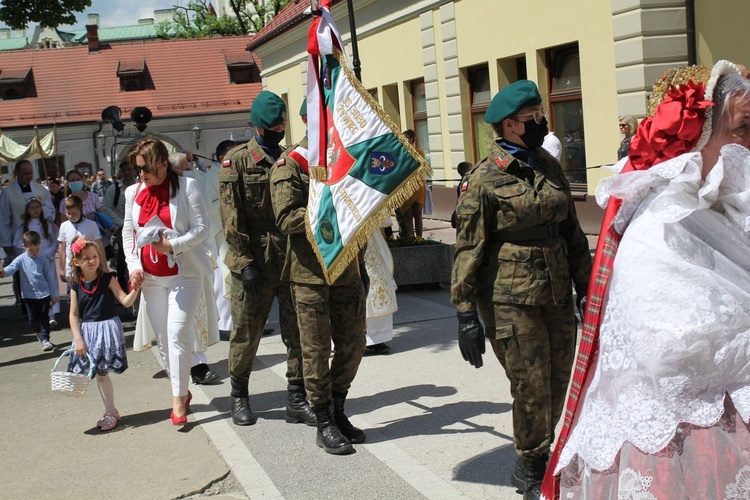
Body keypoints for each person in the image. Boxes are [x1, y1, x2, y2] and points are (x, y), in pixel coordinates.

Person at [544, 61, 750, 499]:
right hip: (684, 443)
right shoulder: (663, 223)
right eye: (743, 128)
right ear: (700, 134)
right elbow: (676, 349)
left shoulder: (725, 204)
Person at [451, 80, 591, 500]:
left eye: (540, 115)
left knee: (559, 379)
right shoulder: (483, 179)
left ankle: (547, 450)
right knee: (529, 384)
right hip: (510, 299)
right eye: (532, 118)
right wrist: (464, 313)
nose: (541, 122)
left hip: (555, 292)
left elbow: (571, 232)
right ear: (510, 124)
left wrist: (586, 286)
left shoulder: (547, 163)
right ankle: (530, 464)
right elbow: (468, 247)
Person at [270, 97, 367, 455]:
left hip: (345, 267)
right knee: (314, 351)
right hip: (309, 272)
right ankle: (323, 419)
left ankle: (338, 407)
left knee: (354, 344)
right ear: (309, 120)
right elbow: (286, 219)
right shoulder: (291, 164)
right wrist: (330, 208)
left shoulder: (345, 158)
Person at [220, 90, 314, 427]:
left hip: (291, 255)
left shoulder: (292, 158)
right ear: (258, 127)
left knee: (298, 330)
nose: (278, 130)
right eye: (273, 125)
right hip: (256, 257)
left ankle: (296, 397)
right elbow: (231, 219)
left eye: (282, 124)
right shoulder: (238, 161)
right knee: (247, 331)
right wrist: (244, 263)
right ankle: (239, 395)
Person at [123, 138, 212, 425]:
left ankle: (177, 399)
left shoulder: (187, 186)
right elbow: (129, 234)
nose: (141, 175)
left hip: (184, 274)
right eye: (138, 170)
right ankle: (181, 391)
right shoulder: (132, 193)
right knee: (163, 339)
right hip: (150, 278)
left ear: (163, 163)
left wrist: (173, 246)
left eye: (146, 169)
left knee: (176, 333)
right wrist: (134, 266)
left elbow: (202, 229)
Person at [66, 237, 139, 431]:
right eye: (87, 258)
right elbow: (73, 315)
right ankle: (110, 410)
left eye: (95, 256)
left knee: (100, 372)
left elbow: (125, 301)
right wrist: (78, 339)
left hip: (106, 330)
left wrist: (135, 289)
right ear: (76, 262)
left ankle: (110, 411)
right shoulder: (75, 284)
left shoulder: (108, 278)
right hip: (87, 332)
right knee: (97, 373)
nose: (92, 261)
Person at [0, 160, 56, 309]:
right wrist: (6, 242)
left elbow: (51, 210)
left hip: (40, 238)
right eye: (25, 173)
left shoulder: (40, 190)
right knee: (23, 272)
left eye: (31, 173)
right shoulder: (7, 192)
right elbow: (4, 218)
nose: (28, 176)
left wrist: (37, 210)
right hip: (19, 238)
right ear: (16, 174)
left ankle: (46, 302)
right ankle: (26, 303)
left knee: (41, 270)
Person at [0, 231, 59, 351]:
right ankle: (39, 335)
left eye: (37, 249)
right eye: (31, 250)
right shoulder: (21, 259)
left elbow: (50, 278)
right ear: (24, 247)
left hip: (44, 294)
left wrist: (54, 294)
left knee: (44, 317)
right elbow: (11, 268)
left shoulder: (42, 260)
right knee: (32, 320)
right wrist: (3, 272)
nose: (34, 252)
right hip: (29, 295)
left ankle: (45, 339)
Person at [203, 140, 236, 338]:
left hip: (235, 231)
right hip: (220, 234)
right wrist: (233, 202)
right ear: (222, 156)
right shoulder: (211, 177)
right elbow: (210, 205)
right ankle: (225, 324)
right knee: (224, 278)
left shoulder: (233, 171)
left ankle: (244, 323)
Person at [14, 198, 60, 328]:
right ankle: (40, 314)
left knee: (51, 282)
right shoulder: (24, 227)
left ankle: (52, 314)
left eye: (37, 207)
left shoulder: (48, 225)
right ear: (28, 210)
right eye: (32, 208)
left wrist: (49, 252)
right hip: (32, 260)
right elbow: (18, 244)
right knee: (37, 285)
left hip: (47, 259)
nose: (35, 210)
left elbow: (56, 240)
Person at [102, 161, 138, 293]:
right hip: (121, 229)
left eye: (129, 169)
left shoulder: (140, 186)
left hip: (139, 228)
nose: (127, 173)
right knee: (124, 258)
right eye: (124, 170)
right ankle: (123, 288)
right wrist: (120, 222)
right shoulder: (115, 189)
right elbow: (106, 206)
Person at [57, 195, 107, 284]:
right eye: (68, 213)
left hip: (90, 270)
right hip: (71, 271)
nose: (71, 216)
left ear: (81, 210)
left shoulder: (91, 225)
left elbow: (99, 246)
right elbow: (62, 248)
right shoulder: (64, 226)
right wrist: (61, 268)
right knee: (72, 296)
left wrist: (104, 265)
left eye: (74, 213)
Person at [398, 129, 426, 238]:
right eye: (403, 137)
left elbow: (419, 167)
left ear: (412, 139)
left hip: (417, 187)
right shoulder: (400, 153)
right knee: (408, 214)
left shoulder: (419, 152)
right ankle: (409, 237)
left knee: (418, 214)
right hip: (405, 188)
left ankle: (419, 238)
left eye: (407, 137)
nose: (404, 140)